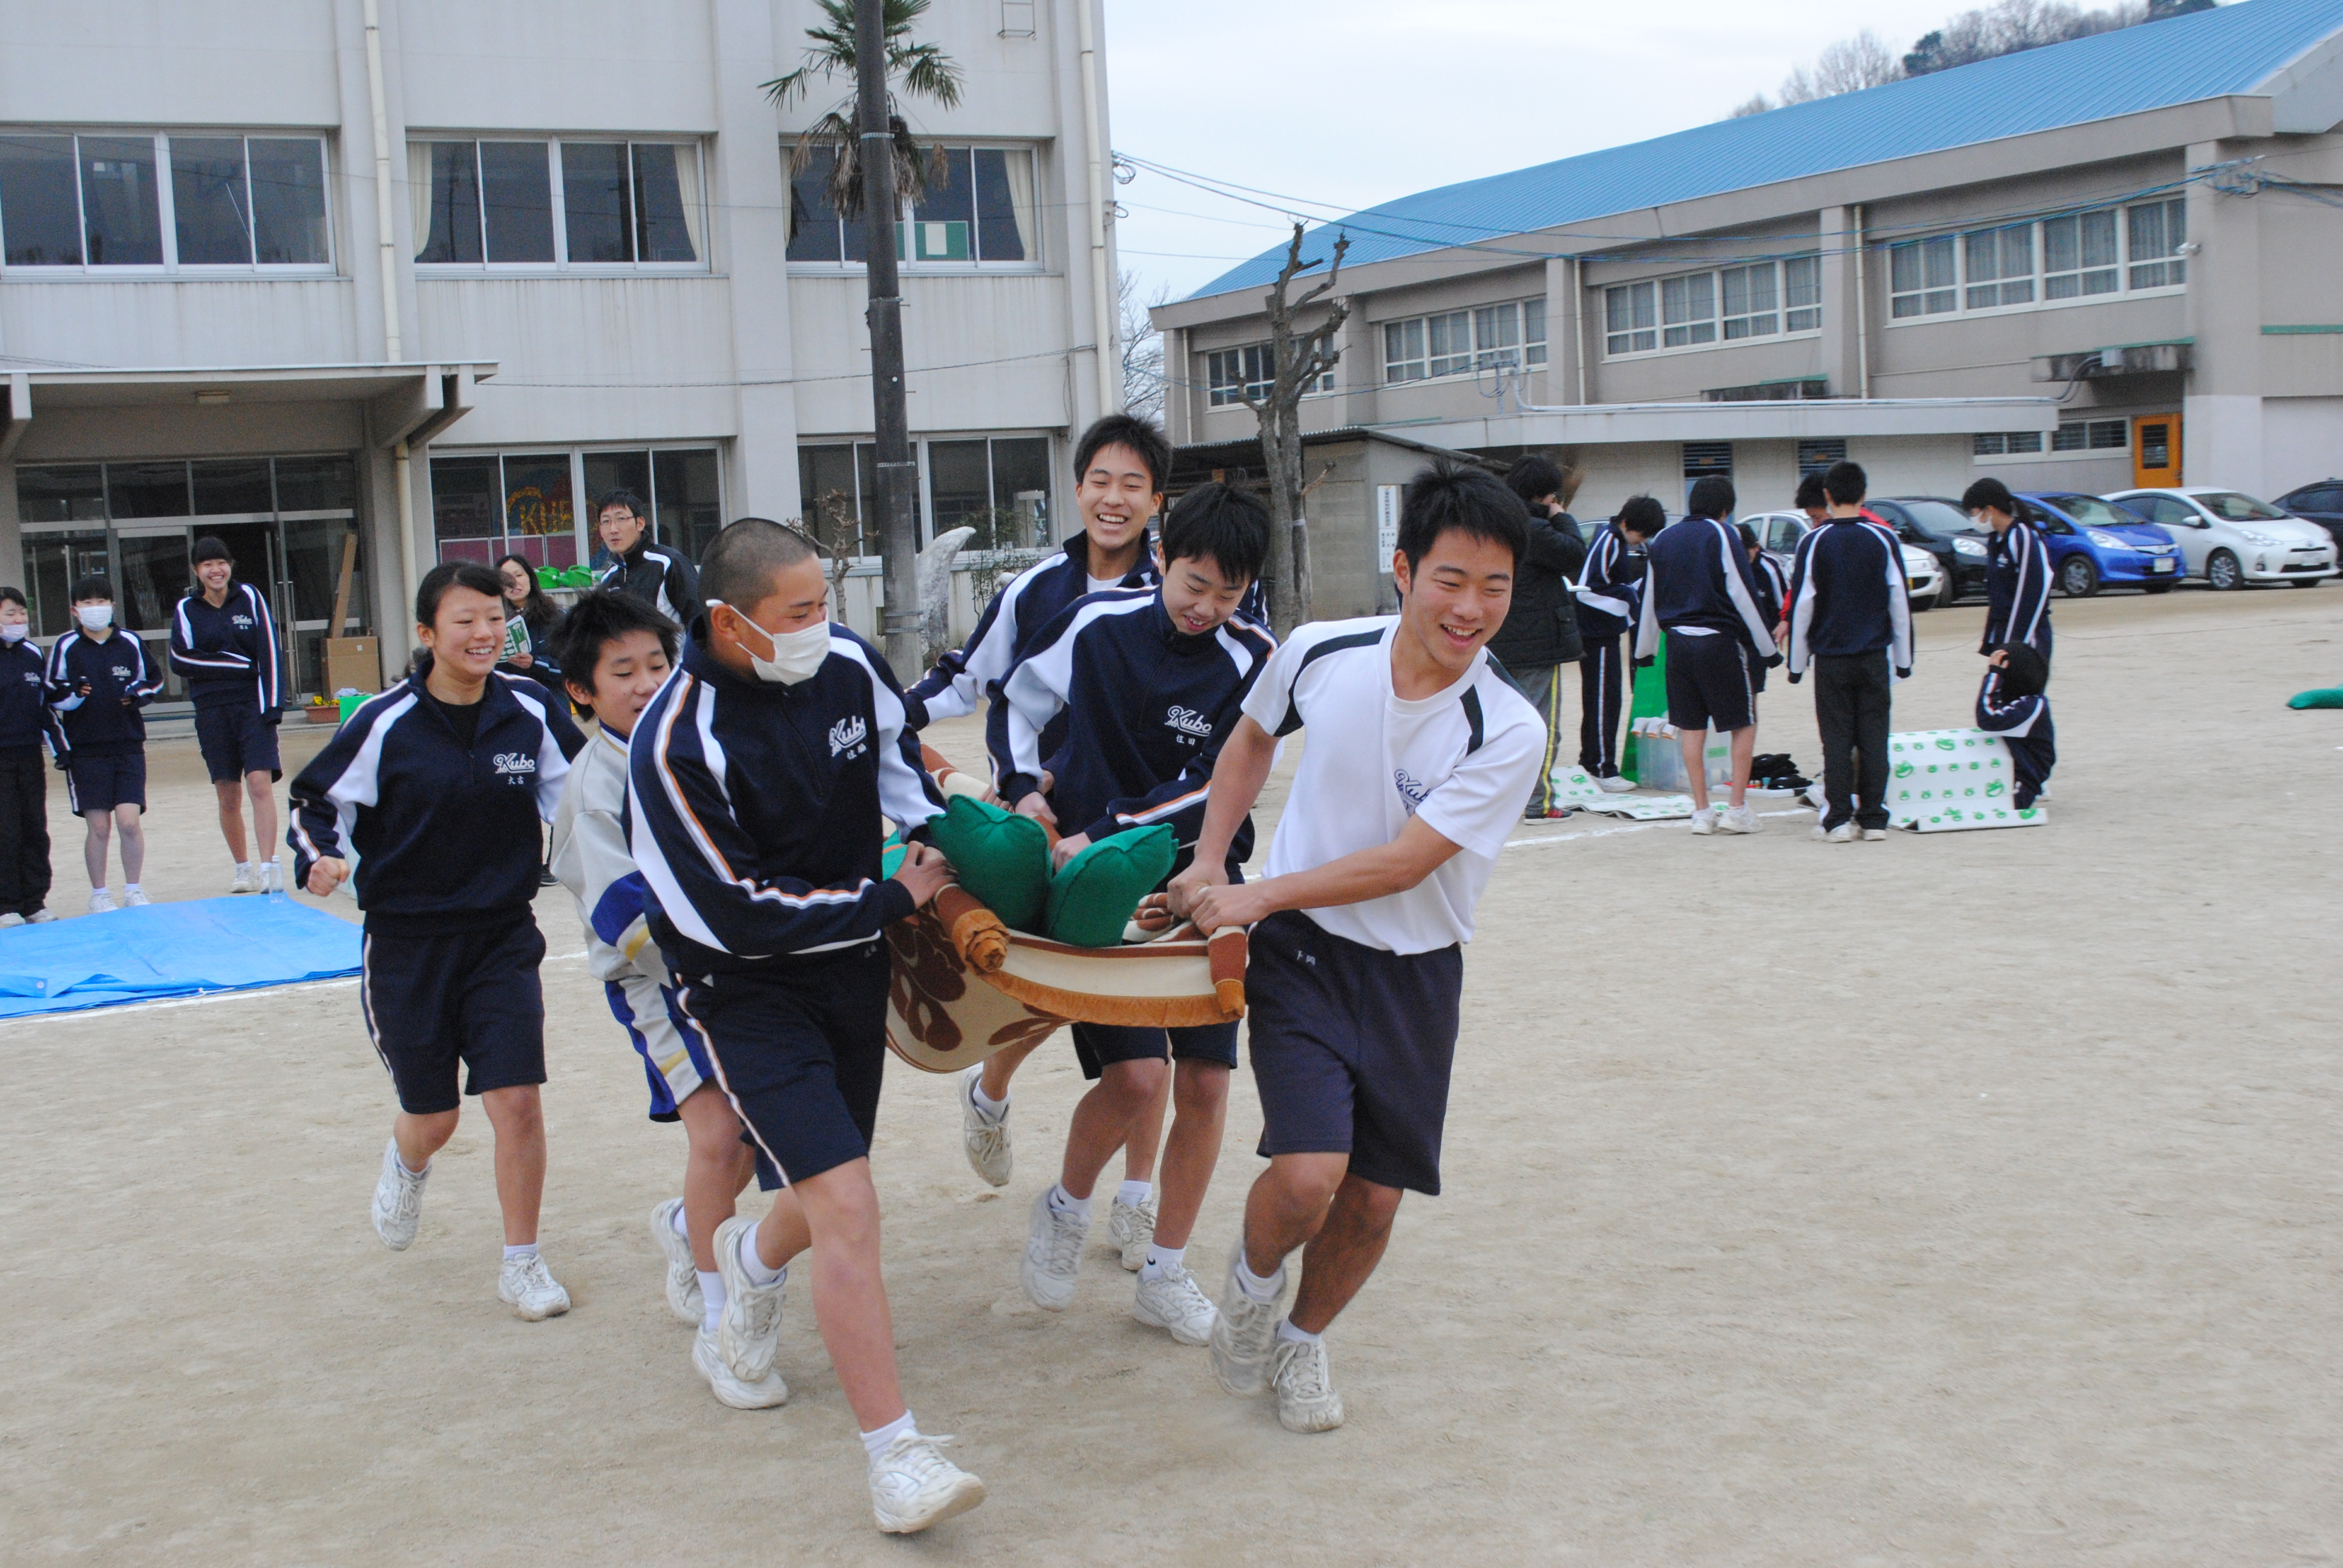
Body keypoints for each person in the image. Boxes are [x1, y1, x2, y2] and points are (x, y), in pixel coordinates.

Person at [1167, 463, 1542, 1434]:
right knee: (1307, 1176)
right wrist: (1211, 856)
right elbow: (1250, 740)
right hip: (1303, 954)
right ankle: (1251, 1287)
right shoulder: (1320, 649)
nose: (1471, 608)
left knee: (1373, 1202)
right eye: (1451, 580)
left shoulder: (1507, 727)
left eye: (1495, 587)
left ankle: (1301, 1339)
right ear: (1403, 568)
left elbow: (1407, 863)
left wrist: (1253, 892)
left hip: (1417, 974)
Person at [626, 518, 983, 1535]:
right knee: (851, 1202)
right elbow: (735, 912)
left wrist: (964, 836)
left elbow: (901, 777)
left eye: (824, 604)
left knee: (826, 1192)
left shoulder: (850, 667)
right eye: (797, 613)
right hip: (747, 989)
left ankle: (742, 1263)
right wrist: (889, 902)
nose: (819, 627)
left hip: (849, 974)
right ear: (728, 622)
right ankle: (896, 1456)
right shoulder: (674, 738)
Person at [991, 482, 1277, 1345]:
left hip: (1196, 884)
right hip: (1097, 892)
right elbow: (1013, 699)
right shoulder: (1093, 622)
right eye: (1194, 584)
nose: (1207, 609)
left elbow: (1215, 784)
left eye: (1228, 594)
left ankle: (1165, 1270)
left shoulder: (1254, 658)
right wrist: (1019, 790)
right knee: (1136, 1078)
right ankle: (1067, 1209)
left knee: (1207, 1082)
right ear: (1160, 556)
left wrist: (1108, 830)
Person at [287, 561, 585, 1321]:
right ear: (428, 634)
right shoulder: (384, 722)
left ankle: (522, 1263)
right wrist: (317, 857)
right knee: (436, 1117)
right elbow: (314, 800)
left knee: (516, 1101)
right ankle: (408, 1159)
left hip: (501, 937)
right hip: (407, 945)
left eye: (494, 619)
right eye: (465, 621)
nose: (484, 634)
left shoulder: (531, 709)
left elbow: (589, 802)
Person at [908, 414, 1176, 1240]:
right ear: (1078, 487)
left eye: (1133, 484)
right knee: (1039, 991)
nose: (1114, 498)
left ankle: (1137, 1200)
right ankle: (989, 1092)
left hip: (1135, 837)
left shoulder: (1179, 591)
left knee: (1148, 1040)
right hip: (1038, 824)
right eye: (1101, 480)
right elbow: (968, 680)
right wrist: (874, 716)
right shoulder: (1034, 590)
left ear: (1156, 500)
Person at [545, 589, 772, 1405]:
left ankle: (686, 1228)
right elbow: (624, 921)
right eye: (622, 672)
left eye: (656, 664)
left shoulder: (699, 744)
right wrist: (731, 946)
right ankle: (720, 1319)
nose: (645, 683)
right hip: (663, 988)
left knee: (751, 1145)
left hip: (743, 965)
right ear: (581, 689)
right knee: (718, 1140)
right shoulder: (589, 790)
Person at [1633, 477, 1779, 834]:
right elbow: (1741, 590)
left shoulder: (1665, 538)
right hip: (1719, 641)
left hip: (1677, 644)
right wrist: (1768, 649)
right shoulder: (1722, 534)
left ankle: (1701, 811)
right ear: (1726, 509)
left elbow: (1650, 597)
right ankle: (1737, 808)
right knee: (1743, 722)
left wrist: (1645, 650)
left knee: (1692, 728)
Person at [1783, 462, 1913, 842]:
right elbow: (1899, 603)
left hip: (1832, 658)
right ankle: (1873, 818)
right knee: (1875, 737)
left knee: (1837, 740)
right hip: (1874, 655)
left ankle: (1838, 819)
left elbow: (1803, 605)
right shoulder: (1883, 538)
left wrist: (1797, 663)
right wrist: (1904, 660)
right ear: (1864, 494)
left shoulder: (1814, 541)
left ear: (1827, 496)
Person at [168, 536, 286, 895]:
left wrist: (272, 706)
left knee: (259, 785)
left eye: (221, 562)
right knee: (228, 794)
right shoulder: (186, 609)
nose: (215, 570)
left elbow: (269, 649)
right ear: (196, 571)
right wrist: (236, 665)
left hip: (253, 706)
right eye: (206, 565)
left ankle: (268, 868)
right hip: (211, 710)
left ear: (230, 565)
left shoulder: (249, 597)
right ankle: (243, 868)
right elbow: (180, 660)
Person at [45, 576, 163, 912]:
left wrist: (136, 696)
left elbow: (153, 680)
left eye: (101, 602)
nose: (94, 608)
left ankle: (134, 889)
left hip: (127, 745)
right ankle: (99, 893)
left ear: (112, 606)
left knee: (129, 822)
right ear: (74, 610)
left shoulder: (129, 641)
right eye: (87, 603)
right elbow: (53, 692)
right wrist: (75, 695)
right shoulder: (67, 646)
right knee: (99, 826)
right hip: (86, 749)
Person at [1489, 455, 1586, 820]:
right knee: (1539, 726)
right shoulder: (1534, 528)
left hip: (1498, 640)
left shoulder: (1497, 522)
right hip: (1536, 644)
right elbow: (1575, 553)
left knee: (1499, 725)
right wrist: (1560, 515)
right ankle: (1537, 801)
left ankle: (1500, 800)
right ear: (1545, 495)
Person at [1964, 477, 2056, 806]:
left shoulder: (2022, 536)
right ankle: (2017, 772)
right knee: (2004, 705)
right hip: (2006, 636)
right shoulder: (1998, 541)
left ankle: (2034, 777)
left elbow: (2036, 588)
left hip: (2027, 638)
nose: (1973, 520)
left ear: (1989, 509)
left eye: (1974, 512)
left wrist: (2015, 645)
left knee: (2022, 705)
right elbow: (1999, 597)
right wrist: (1993, 641)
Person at [1572, 497, 1657, 792]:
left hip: (1605, 632)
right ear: (1629, 524)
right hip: (1598, 634)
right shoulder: (1609, 540)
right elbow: (1585, 591)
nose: (1641, 542)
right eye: (1643, 534)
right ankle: (1601, 768)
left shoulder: (1613, 540)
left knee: (1606, 700)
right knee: (1603, 701)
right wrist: (1628, 602)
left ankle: (1595, 763)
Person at [0, 587, 59, 925]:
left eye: (22, 614)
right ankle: (6, 903)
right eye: (10, 614)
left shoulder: (33, 654)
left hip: (29, 754)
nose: (18, 620)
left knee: (34, 826)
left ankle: (34, 900)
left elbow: (45, 707)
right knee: (6, 829)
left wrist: (60, 747)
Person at [595, 488, 703, 626]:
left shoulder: (668, 563)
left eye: (621, 519)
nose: (613, 529)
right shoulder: (608, 578)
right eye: (605, 521)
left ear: (640, 524)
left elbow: (699, 621)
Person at [494, 552, 566, 694]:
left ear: (530, 578)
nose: (513, 583)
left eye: (519, 575)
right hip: (509, 698)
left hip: (549, 698)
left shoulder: (555, 616)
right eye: (505, 578)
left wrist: (534, 663)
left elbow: (570, 667)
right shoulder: (493, 620)